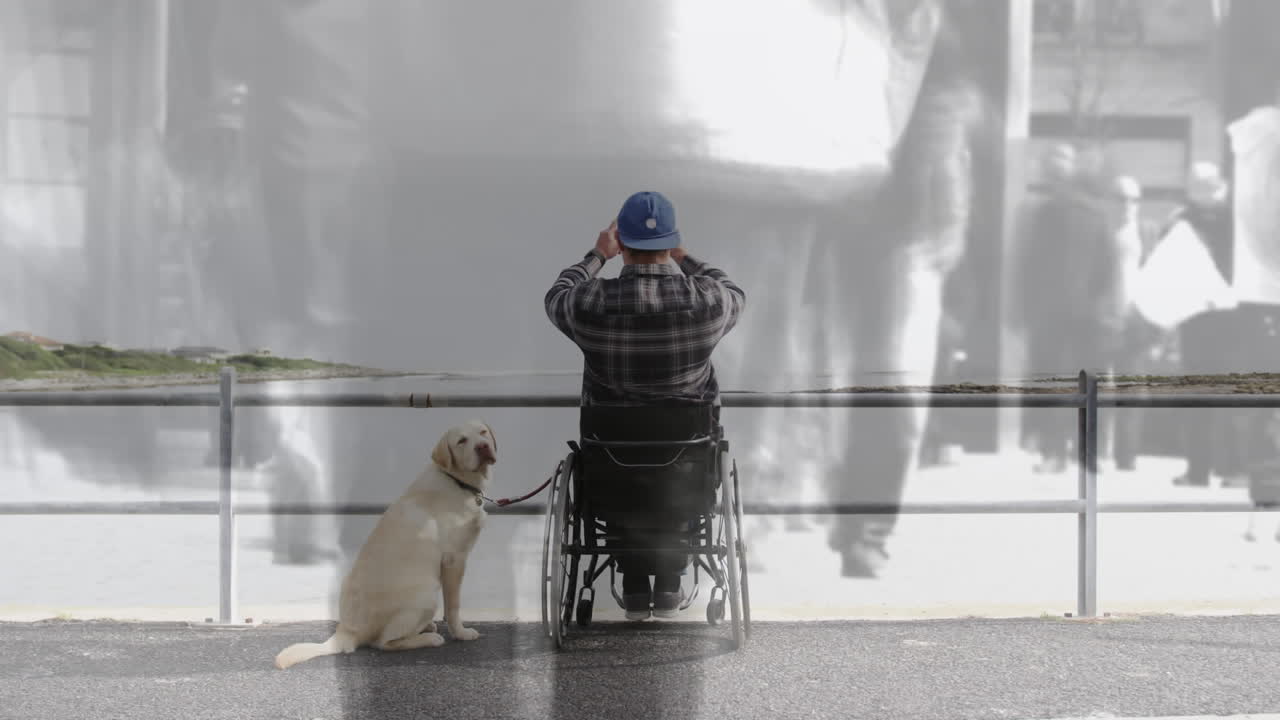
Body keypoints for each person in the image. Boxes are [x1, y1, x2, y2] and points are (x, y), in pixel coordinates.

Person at [544, 190, 746, 619]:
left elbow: (557, 294)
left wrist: (596, 255)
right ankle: (670, 582)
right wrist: (684, 255)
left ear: (623, 245)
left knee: (625, 478)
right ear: (669, 244)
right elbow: (734, 291)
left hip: (610, 467)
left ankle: (635, 584)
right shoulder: (706, 302)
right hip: (687, 469)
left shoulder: (590, 303)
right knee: (675, 472)